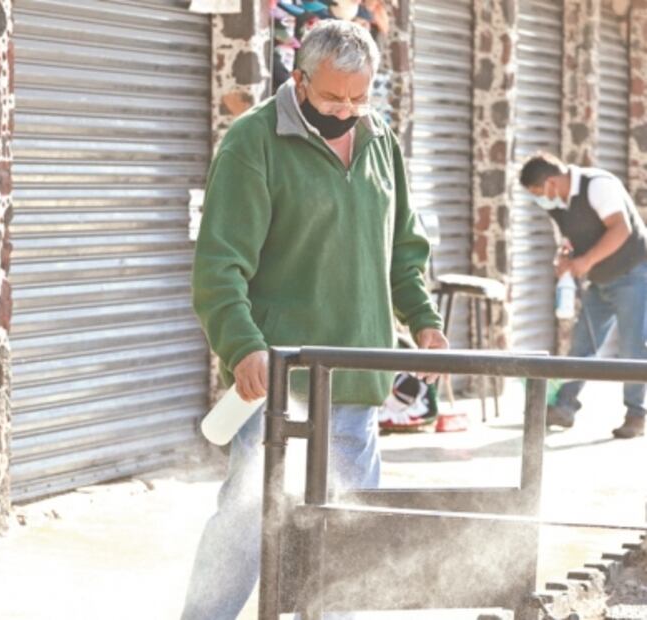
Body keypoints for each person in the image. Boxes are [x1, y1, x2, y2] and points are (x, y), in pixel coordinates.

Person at [183, 20, 447, 620]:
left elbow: (404, 247)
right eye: (333, 98)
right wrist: (242, 346)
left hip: (358, 374)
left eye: (360, 98)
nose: (348, 110)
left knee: (344, 534)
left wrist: (423, 321)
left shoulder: (380, 139)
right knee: (248, 523)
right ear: (300, 80)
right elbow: (218, 266)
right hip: (281, 383)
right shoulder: (254, 142)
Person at [519, 152, 647, 439]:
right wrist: (565, 259)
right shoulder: (558, 204)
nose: (539, 200)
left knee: (633, 347)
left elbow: (621, 228)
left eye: (538, 193)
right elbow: (569, 239)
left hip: (633, 273)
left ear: (552, 182)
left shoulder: (598, 185)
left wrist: (585, 261)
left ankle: (636, 414)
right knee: (582, 343)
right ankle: (564, 407)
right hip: (599, 280)